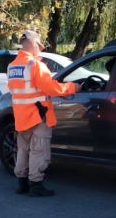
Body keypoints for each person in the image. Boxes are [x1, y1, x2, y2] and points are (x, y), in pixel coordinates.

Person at [8, 30, 80, 196]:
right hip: (37, 114)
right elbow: (51, 87)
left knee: (23, 150)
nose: (40, 50)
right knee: (39, 150)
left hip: (21, 116)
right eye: (39, 46)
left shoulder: (12, 66)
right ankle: (36, 185)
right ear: (33, 43)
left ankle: (22, 184)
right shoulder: (35, 65)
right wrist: (73, 87)